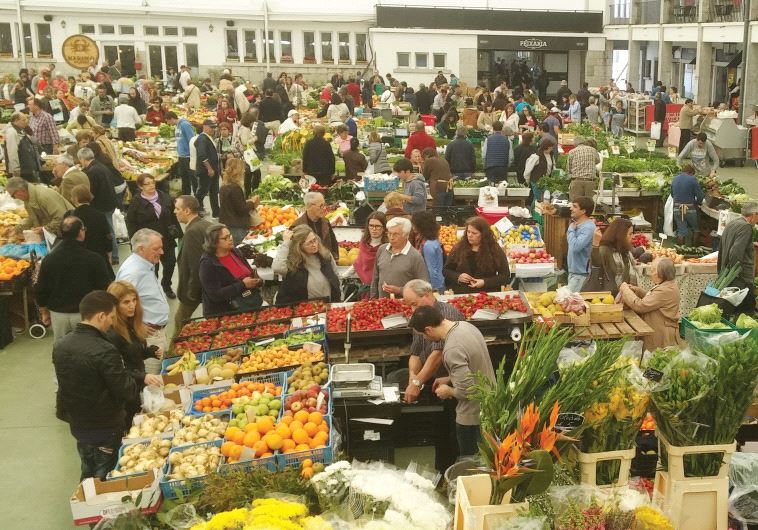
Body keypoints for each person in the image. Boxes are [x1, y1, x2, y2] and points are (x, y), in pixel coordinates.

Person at [53, 291, 140, 481]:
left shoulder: (61, 344)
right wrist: (135, 378)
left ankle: (86, 498)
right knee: (106, 475)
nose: (111, 322)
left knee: (87, 466)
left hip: (77, 423)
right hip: (105, 424)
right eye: (111, 317)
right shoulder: (104, 349)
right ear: (101, 316)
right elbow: (125, 390)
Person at [408, 304, 495, 457]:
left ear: (428, 329)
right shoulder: (466, 326)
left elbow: (468, 391)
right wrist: (450, 378)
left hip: (472, 416)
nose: (425, 339)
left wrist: (448, 391)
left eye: (423, 336)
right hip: (491, 405)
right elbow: (475, 367)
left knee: (472, 466)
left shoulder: (451, 349)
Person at [35, 216, 112, 344]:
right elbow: (104, 288)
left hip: (58, 314)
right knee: (89, 348)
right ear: (81, 232)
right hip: (86, 314)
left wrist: (43, 311)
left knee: (62, 349)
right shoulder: (93, 259)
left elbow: (41, 288)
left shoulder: (49, 259)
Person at [106, 281, 164, 428]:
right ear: (115, 305)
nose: (132, 305)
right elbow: (118, 369)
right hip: (126, 394)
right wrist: (143, 376)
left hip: (137, 386)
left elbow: (133, 353)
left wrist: (150, 352)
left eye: (134, 300)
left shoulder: (131, 323)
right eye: (126, 302)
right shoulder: (112, 334)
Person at [115, 228, 170, 371]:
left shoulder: (146, 265)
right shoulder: (133, 272)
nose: (162, 252)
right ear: (141, 249)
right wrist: (136, 326)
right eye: (156, 249)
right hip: (148, 338)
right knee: (152, 380)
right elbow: (117, 304)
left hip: (157, 333)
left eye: (161, 248)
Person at [401, 279, 465, 403]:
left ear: (427, 295)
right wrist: (413, 376)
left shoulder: (447, 314)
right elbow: (415, 352)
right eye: (410, 306)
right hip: (429, 377)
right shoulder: (420, 315)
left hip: (449, 378)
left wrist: (417, 382)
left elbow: (438, 354)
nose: (413, 309)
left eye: (414, 303)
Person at [126, 174, 182, 298]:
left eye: (152, 182)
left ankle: (166, 285)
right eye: (147, 184)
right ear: (141, 186)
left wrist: (179, 233)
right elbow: (130, 222)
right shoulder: (136, 202)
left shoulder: (165, 197)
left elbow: (173, 216)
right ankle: (154, 288)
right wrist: (134, 241)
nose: (151, 186)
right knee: (152, 268)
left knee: (170, 263)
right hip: (148, 242)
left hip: (166, 238)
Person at [618, 258, 683, 352]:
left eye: (652, 271)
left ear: (661, 274)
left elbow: (640, 306)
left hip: (661, 335)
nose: (650, 274)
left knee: (655, 360)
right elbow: (654, 300)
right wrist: (638, 291)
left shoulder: (665, 290)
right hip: (660, 330)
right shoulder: (667, 285)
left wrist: (625, 289)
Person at [198, 223, 263, 315]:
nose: (230, 239)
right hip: (226, 313)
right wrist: (243, 285)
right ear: (214, 242)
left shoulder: (235, 252)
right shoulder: (208, 264)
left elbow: (248, 273)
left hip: (249, 305)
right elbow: (215, 294)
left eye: (230, 235)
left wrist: (256, 281)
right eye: (225, 238)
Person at [171, 196, 211, 336]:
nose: (175, 212)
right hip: (207, 285)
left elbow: (195, 265)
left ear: (187, 210)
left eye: (177, 209)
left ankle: (172, 352)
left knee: (180, 321)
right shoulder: (205, 224)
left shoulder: (192, 232)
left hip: (195, 288)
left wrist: (191, 293)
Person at [273, 225, 341, 305]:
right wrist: (286, 243)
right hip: (302, 310)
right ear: (299, 246)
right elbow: (277, 268)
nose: (314, 245)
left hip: (327, 305)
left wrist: (340, 296)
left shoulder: (325, 255)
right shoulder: (292, 262)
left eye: (315, 240)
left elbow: (336, 276)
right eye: (309, 243)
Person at [443, 216, 510, 293]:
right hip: (462, 295)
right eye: (468, 232)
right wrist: (458, 276)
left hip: (486, 296)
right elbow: (446, 270)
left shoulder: (494, 250)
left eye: (474, 233)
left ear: (483, 235)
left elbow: (505, 276)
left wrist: (485, 282)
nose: (470, 235)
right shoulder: (459, 248)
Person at [370, 216, 429, 298]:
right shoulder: (382, 249)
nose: (391, 237)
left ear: (406, 235)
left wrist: (400, 290)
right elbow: (375, 278)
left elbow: (424, 287)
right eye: (389, 233)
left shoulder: (415, 257)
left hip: (404, 307)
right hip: (381, 307)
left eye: (395, 234)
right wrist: (372, 300)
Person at [716, 201, 758, 315]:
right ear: (754, 215)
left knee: (730, 310)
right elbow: (735, 252)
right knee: (746, 311)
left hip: (729, 274)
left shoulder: (732, 223)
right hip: (741, 278)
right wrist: (735, 273)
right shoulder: (746, 227)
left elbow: (722, 246)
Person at [5, 177, 73, 238]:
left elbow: (62, 217)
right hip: (60, 232)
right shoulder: (28, 198)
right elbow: (32, 217)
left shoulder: (43, 196)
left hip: (71, 231)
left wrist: (45, 229)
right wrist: (17, 229)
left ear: (20, 190)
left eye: (13, 196)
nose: (15, 198)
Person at [70, 185, 113, 275]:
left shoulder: (71, 217)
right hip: (99, 255)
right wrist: (109, 256)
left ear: (76, 198)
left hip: (80, 258)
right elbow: (107, 236)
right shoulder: (100, 215)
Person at [291, 191, 339, 260]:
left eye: (324, 205)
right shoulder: (297, 226)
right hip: (307, 266)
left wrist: (335, 260)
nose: (324, 208)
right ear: (309, 206)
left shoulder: (325, 222)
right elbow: (293, 253)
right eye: (321, 206)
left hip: (326, 264)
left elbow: (333, 243)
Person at [219, 158, 258, 243]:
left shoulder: (224, 186)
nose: (244, 171)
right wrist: (252, 202)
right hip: (237, 226)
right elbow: (242, 209)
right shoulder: (235, 188)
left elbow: (232, 205)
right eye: (242, 169)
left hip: (228, 223)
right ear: (236, 171)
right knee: (240, 248)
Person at [566, 197, 600, 292]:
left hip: (580, 274)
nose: (571, 208)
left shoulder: (588, 228)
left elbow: (575, 247)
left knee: (571, 302)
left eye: (575, 206)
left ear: (583, 211)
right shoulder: (576, 225)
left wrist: (571, 230)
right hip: (574, 272)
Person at [597, 218, 638, 295]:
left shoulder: (626, 252)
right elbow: (597, 272)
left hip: (624, 295)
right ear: (620, 235)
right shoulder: (604, 250)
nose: (633, 237)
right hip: (607, 296)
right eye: (630, 234)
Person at [671, 164, 705, 246]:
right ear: (691, 172)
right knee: (696, 229)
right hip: (690, 208)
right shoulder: (692, 179)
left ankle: (680, 252)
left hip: (677, 208)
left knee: (681, 231)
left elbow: (672, 194)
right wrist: (698, 203)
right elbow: (700, 196)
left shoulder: (675, 179)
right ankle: (695, 250)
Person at [412, 211, 445, 293]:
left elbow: (432, 269)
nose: (412, 226)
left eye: (414, 224)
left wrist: (434, 289)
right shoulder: (426, 239)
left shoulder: (428, 245)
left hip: (433, 285)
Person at [4, 111, 41, 183]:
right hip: (22, 170)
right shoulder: (12, 132)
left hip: (27, 168)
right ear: (16, 121)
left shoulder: (20, 130)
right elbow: (12, 152)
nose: (26, 121)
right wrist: (16, 168)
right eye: (23, 120)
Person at [166, 111, 197, 195]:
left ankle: (198, 200)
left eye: (168, 121)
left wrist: (192, 154)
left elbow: (192, 139)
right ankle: (186, 197)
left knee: (192, 178)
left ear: (172, 119)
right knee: (184, 178)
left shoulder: (184, 125)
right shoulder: (177, 126)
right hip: (181, 156)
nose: (168, 123)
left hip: (188, 156)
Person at [195, 119, 220, 218]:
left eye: (214, 127)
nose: (213, 130)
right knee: (202, 192)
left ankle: (216, 212)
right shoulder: (202, 138)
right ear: (204, 126)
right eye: (211, 127)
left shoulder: (208, 137)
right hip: (206, 171)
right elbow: (202, 155)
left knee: (214, 191)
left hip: (212, 170)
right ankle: (195, 210)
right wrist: (209, 169)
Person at [353, 212, 387, 286]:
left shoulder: (388, 246)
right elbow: (359, 262)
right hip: (365, 286)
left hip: (382, 286)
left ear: (384, 228)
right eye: (371, 226)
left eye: (378, 226)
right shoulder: (364, 242)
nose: (374, 229)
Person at [524, 137, 555, 207]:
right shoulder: (536, 156)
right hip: (536, 180)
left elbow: (552, 166)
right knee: (537, 198)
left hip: (546, 180)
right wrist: (527, 180)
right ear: (546, 147)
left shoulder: (551, 155)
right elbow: (528, 169)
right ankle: (533, 214)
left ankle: (538, 214)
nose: (552, 149)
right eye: (551, 147)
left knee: (545, 198)